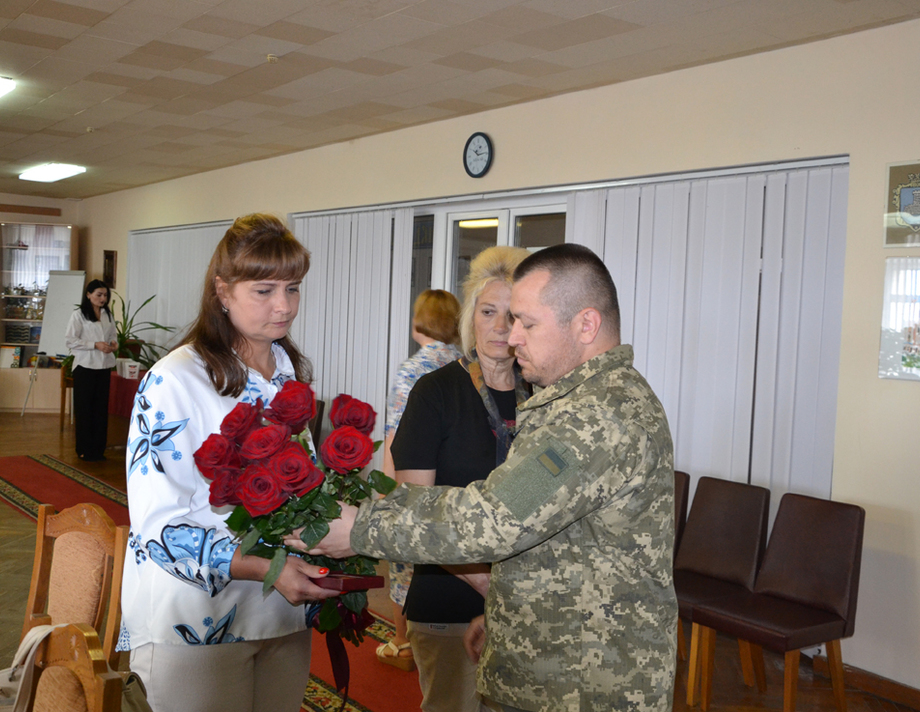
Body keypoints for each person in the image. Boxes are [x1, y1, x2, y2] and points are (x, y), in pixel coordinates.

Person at [288, 243, 677, 712]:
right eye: (504, 318)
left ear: (586, 325)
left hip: (585, 685)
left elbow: (497, 517)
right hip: (561, 662)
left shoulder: (595, 417)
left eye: (527, 324)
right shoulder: (582, 399)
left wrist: (361, 527)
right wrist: (507, 612)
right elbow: (557, 544)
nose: (512, 338)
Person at [120, 214, 339, 712]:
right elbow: (158, 527)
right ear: (223, 290)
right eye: (264, 290)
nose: (283, 306)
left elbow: (297, 491)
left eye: (293, 288)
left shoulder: (287, 372)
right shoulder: (175, 379)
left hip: (279, 609)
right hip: (196, 619)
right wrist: (264, 567)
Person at [387, 247, 531, 711]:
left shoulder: (543, 395)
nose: (499, 326)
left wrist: (512, 595)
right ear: (471, 316)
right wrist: (487, 585)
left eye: (513, 315)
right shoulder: (436, 392)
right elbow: (415, 510)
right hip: (448, 595)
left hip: (527, 606)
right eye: (488, 312)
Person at [378, 288, 462, 671]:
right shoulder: (465, 363)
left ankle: (403, 643)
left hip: (416, 475)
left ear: (418, 324)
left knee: (404, 559)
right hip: (454, 479)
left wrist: (385, 490)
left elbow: (398, 433)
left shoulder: (412, 369)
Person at [65, 279, 117, 462]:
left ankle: (98, 449)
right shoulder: (78, 315)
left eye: (105, 295)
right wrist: (94, 345)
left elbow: (112, 335)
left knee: (100, 410)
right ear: (88, 295)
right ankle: (83, 449)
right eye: (99, 295)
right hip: (85, 367)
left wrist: (113, 344)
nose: (103, 299)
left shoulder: (107, 314)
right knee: (85, 409)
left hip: (103, 366)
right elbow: (70, 340)